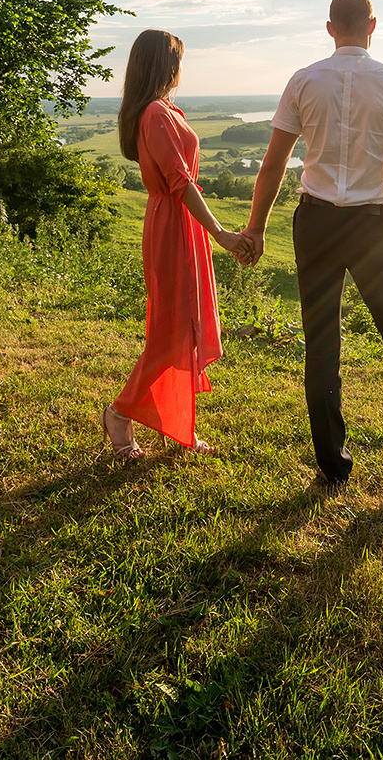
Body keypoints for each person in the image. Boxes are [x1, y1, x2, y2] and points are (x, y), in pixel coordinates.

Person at [239, 0, 383, 498]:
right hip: (374, 226)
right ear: (372, 25)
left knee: (322, 344)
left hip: (317, 224)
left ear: (330, 28)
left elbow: (274, 164)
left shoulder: (303, 80)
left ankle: (333, 467)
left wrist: (256, 229)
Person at [104, 28, 253, 458]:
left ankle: (177, 423)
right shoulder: (154, 113)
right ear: (166, 65)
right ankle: (119, 413)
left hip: (180, 223)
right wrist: (221, 232)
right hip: (173, 224)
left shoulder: (167, 109)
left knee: (184, 327)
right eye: (179, 59)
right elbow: (182, 184)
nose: (182, 67)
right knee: (169, 332)